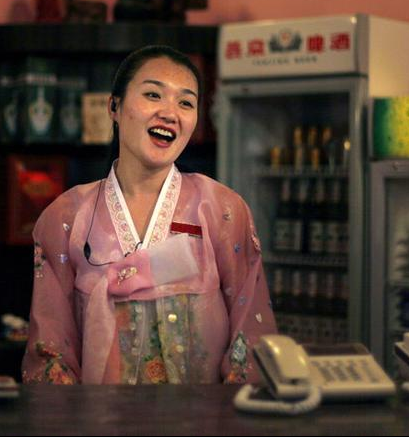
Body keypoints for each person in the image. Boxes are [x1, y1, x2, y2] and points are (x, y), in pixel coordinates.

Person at [21, 45, 276, 384]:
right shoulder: (66, 217)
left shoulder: (222, 210)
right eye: (153, 95)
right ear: (114, 106)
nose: (170, 113)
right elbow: (51, 350)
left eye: (186, 102)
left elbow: (250, 332)